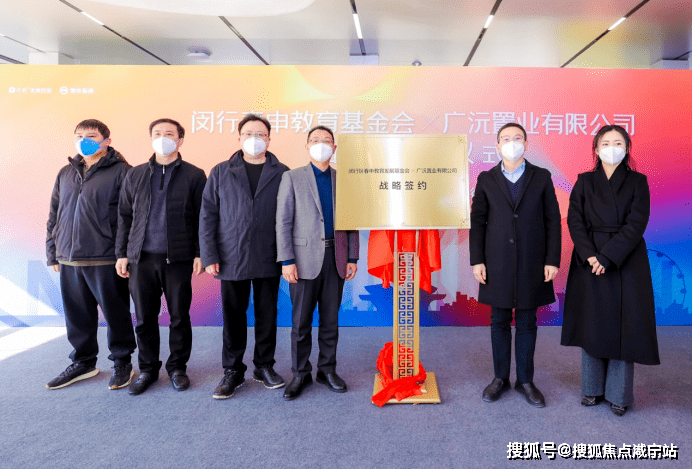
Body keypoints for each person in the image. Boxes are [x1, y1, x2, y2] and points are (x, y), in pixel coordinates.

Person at [561, 125, 660, 416]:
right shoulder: (584, 181)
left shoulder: (638, 182)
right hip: (589, 259)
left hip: (625, 260)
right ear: (596, 149)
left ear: (627, 148)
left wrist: (607, 257)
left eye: (618, 143)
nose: (612, 148)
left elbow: (637, 223)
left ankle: (619, 394)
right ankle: (591, 390)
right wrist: (591, 255)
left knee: (624, 327)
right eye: (606, 143)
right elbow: (575, 220)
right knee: (592, 324)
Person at [470, 122, 561, 408]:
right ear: (497, 146)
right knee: (498, 321)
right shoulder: (486, 178)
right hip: (495, 261)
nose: (512, 142)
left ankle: (525, 381)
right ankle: (500, 378)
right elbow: (478, 222)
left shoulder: (542, 176)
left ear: (526, 144)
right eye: (506, 139)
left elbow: (552, 220)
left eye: (517, 138)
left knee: (526, 322)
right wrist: (477, 260)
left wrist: (552, 259)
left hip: (532, 261)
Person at [200, 114, 289, 399]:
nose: (254, 139)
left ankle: (264, 366)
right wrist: (209, 254)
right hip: (231, 255)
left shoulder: (282, 172)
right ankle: (233, 370)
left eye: (260, 134)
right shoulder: (221, 171)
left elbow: (290, 216)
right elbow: (207, 215)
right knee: (233, 317)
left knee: (267, 315)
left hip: (269, 254)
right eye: (249, 133)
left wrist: (288, 257)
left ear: (269, 139)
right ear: (239, 138)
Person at [116, 118, 207, 395]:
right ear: (151, 138)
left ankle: (178, 368)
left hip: (177, 259)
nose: (163, 137)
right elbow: (124, 217)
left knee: (179, 317)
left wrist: (200, 253)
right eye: (157, 133)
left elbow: (203, 218)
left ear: (180, 140)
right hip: (141, 259)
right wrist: (122, 253)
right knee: (144, 318)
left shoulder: (194, 175)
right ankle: (147, 370)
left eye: (169, 133)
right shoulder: (135, 174)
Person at [45, 119, 136, 390]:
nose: (84, 140)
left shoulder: (123, 172)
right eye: (79, 135)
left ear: (107, 140)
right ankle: (84, 362)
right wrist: (53, 252)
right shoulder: (66, 172)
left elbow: (129, 217)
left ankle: (122, 362)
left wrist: (123, 253)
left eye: (92, 136)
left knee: (115, 313)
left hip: (105, 257)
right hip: (68, 257)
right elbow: (55, 213)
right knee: (77, 315)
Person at [276, 125, 359, 401]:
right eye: (315, 140)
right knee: (300, 323)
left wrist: (352, 257)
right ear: (307, 146)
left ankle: (327, 370)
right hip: (302, 261)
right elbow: (283, 222)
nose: (320, 144)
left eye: (326, 140)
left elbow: (352, 221)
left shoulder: (344, 180)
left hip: (336, 259)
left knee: (330, 321)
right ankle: (300, 373)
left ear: (334, 148)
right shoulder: (292, 177)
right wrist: (287, 260)